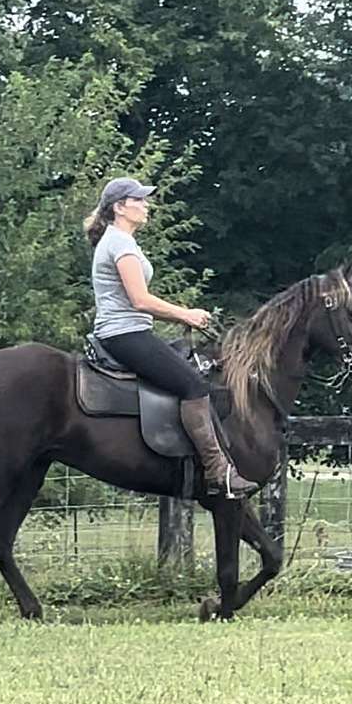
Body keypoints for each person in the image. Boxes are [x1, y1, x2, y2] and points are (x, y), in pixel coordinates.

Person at [83, 176, 257, 499]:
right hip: (125, 334)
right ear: (120, 207)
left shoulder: (119, 240)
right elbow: (140, 300)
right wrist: (185, 313)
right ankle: (218, 471)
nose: (147, 205)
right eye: (140, 200)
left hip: (127, 331)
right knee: (193, 385)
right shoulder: (120, 244)